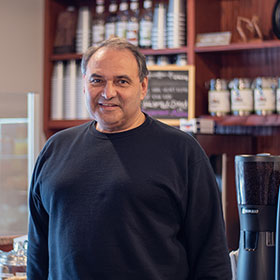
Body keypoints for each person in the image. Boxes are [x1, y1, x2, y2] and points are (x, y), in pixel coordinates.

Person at [27, 37, 232, 279]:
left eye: (121, 81)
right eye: (97, 80)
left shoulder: (182, 151)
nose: (108, 92)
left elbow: (211, 256)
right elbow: (38, 251)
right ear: (84, 84)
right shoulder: (55, 149)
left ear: (143, 86)